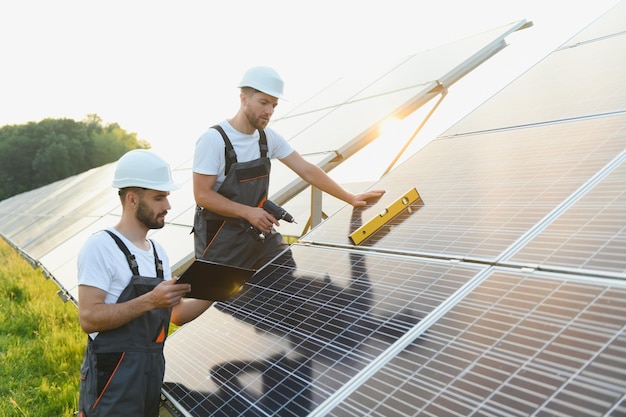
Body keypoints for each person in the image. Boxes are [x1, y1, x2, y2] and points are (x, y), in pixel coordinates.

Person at [192, 65, 385, 270]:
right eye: (263, 103)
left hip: (258, 234)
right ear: (243, 99)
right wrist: (248, 212)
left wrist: (350, 198)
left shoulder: (267, 138)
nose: (269, 112)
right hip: (221, 240)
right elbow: (202, 195)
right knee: (213, 297)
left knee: (285, 279)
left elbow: (307, 170)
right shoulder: (214, 140)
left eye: (274, 105)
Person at [77, 149, 211, 417]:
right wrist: (150, 300)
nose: (168, 206)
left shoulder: (158, 252)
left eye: (167, 198)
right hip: (113, 377)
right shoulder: (101, 246)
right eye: (159, 198)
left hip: (150, 374)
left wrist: (221, 291)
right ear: (132, 199)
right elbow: (89, 318)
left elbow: (177, 314)